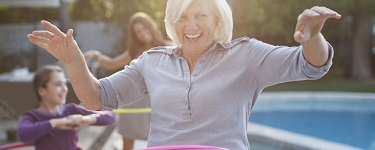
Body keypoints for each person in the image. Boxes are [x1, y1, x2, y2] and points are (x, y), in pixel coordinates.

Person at [26, 0, 341, 149]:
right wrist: (74, 60)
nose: (190, 26)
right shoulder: (151, 62)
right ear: (171, 23)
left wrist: (312, 39)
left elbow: (310, 65)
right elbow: (96, 98)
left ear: (218, 19)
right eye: (182, 17)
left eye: (201, 16)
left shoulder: (246, 54)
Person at [84, 12, 171, 150]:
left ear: (151, 27)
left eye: (145, 28)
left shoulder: (170, 47)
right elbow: (112, 63)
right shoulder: (134, 52)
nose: (142, 33)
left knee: (158, 140)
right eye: (138, 32)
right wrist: (96, 55)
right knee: (128, 140)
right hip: (133, 102)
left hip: (155, 103)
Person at [16, 65, 115, 150]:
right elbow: (23, 135)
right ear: (42, 91)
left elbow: (110, 117)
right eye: (58, 84)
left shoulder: (71, 109)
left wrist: (87, 119)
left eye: (65, 84)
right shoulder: (33, 116)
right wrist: (56, 122)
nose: (64, 89)